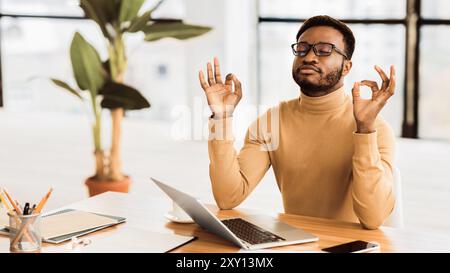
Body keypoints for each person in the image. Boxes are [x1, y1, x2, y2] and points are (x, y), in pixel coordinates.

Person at [198, 15, 396, 230]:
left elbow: (373, 218)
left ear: (346, 67)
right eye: (302, 48)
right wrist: (222, 118)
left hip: (351, 246)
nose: (309, 56)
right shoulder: (271, 122)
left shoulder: (375, 129)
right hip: (295, 242)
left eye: (324, 49)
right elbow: (228, 196)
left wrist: (365, 131)